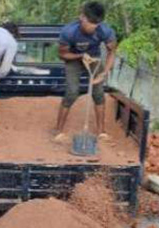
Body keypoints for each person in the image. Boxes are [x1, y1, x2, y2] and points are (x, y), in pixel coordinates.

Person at [53, 1, 117, 141]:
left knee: (99, 93)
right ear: (82, 17)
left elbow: (112, 52)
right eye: (90, 22)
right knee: (71, 92)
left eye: (97, 24)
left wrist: (104, 73)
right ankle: (58, 131)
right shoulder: (69, 32)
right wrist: (81, 56)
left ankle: (101, 131)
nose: (93, 27)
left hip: (94, 58)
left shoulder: (105, 31)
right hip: (73, 59)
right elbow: (62, 54)